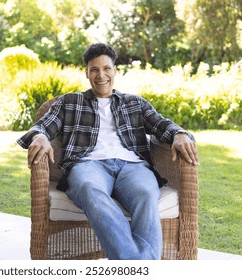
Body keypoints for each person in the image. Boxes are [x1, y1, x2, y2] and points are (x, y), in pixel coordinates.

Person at [17, 43, 199, 260]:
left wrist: (179, 134)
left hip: (133, 166)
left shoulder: (135, 103)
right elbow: (42, 126)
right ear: (86, 73)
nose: (100, 75)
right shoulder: (69, 102)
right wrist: (39, 137)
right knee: (88, 188)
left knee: (145, 194)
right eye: (94, 69)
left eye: (106, 68)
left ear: (115, 71)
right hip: (88, 165)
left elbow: (161, 124)